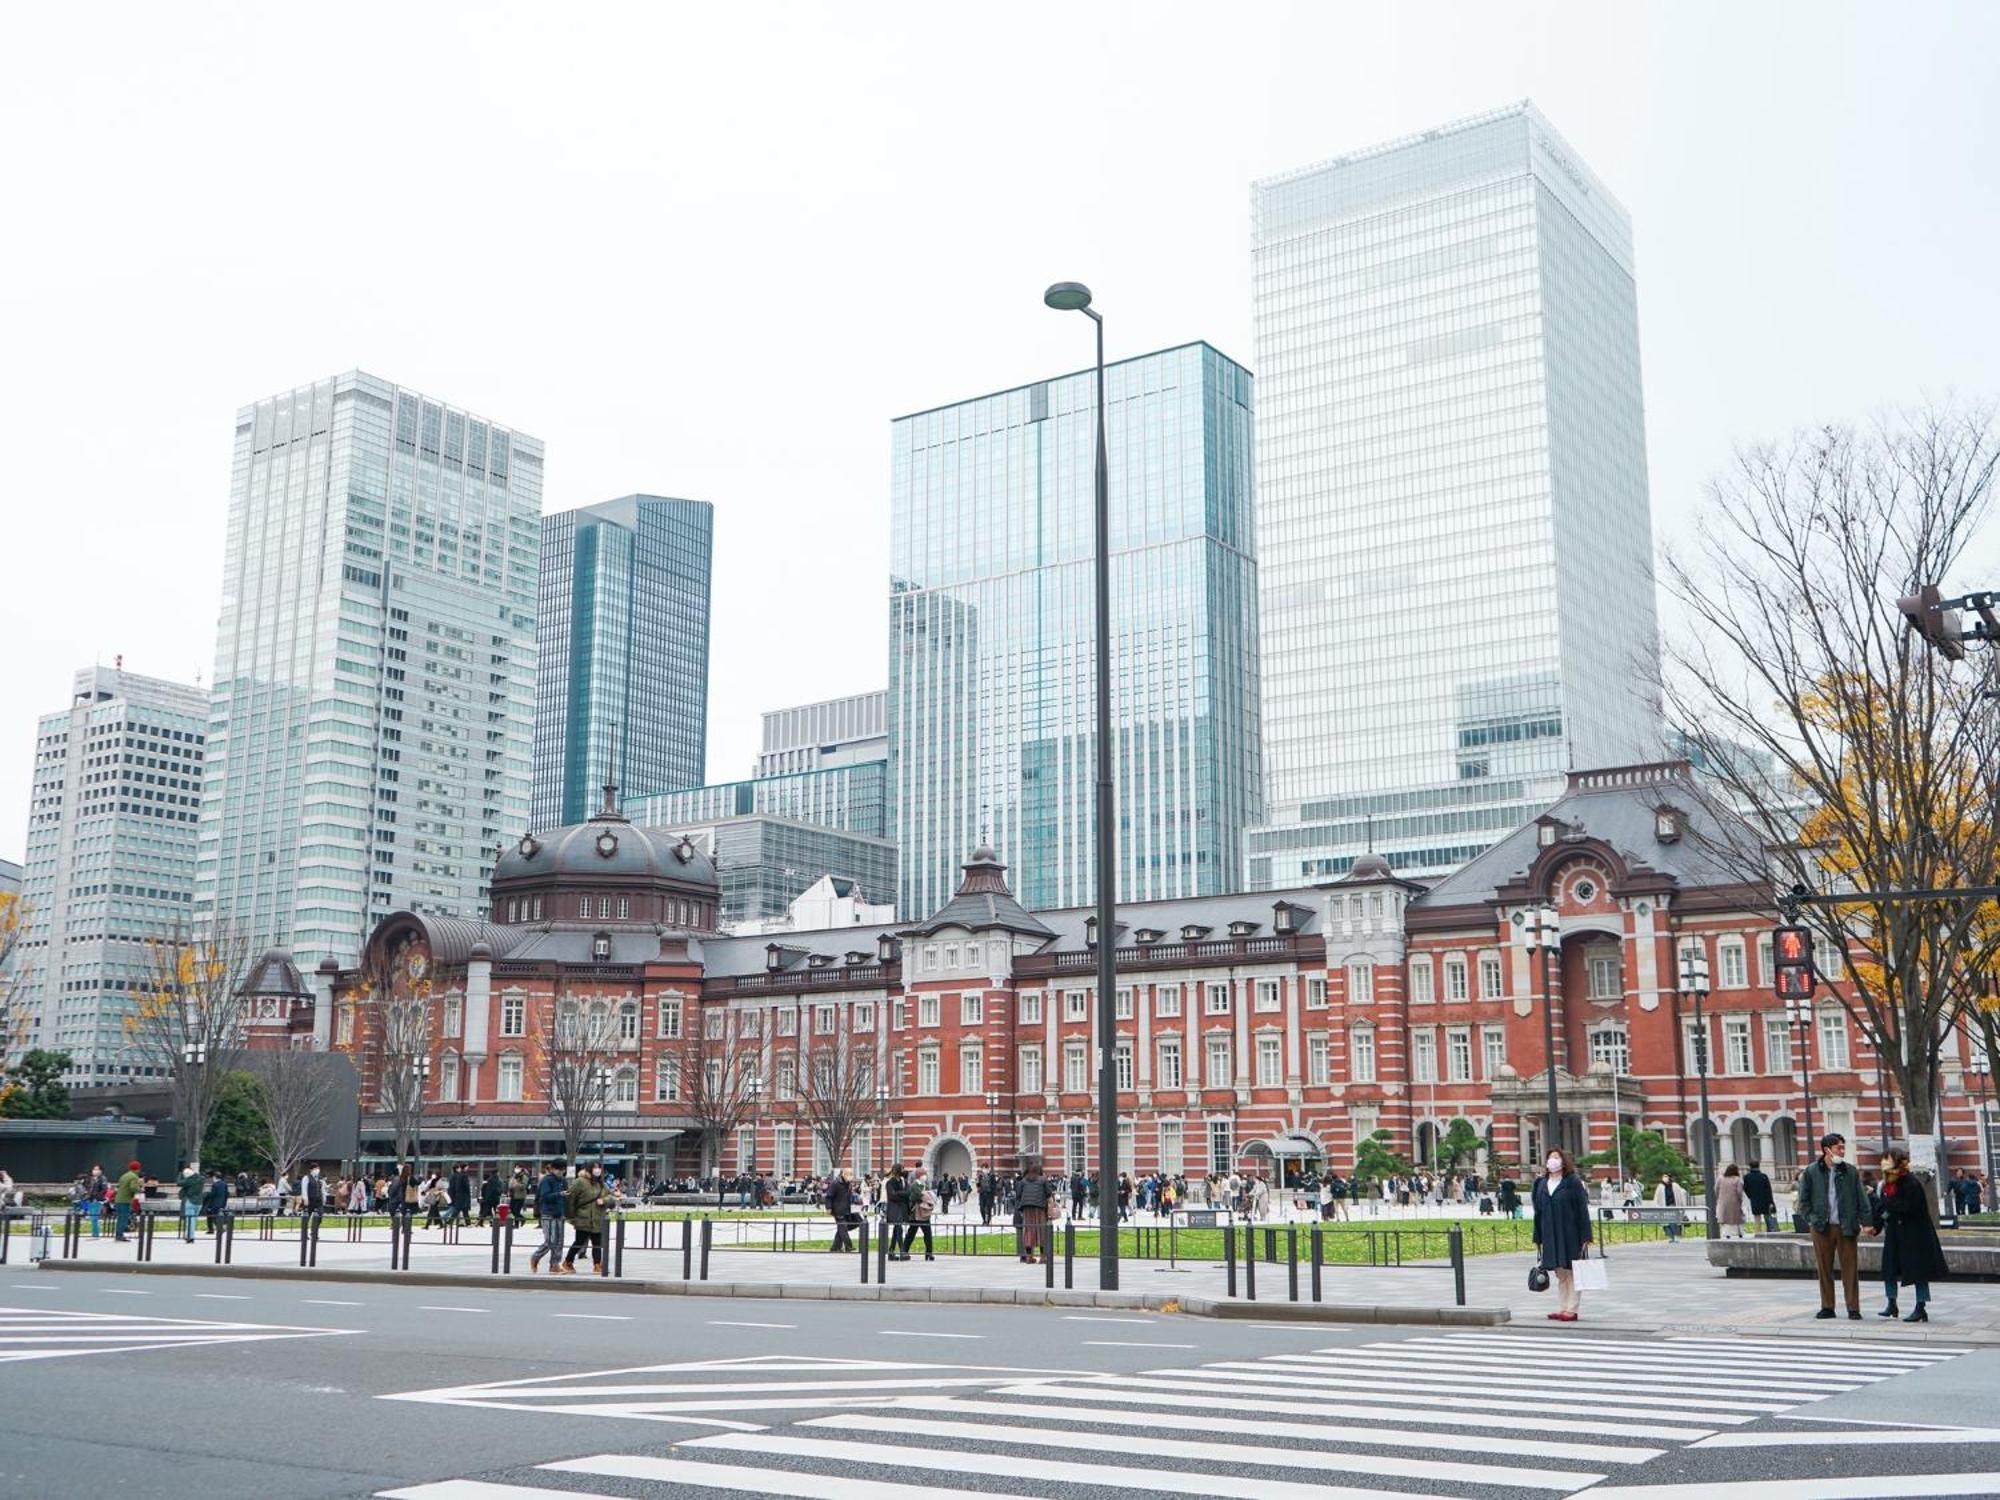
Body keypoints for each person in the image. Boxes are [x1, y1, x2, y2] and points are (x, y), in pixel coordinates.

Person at [1868, 1147, 1950, 1322]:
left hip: (1914, 1234)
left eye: (1887, 1158)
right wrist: (1876, 1226)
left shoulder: (1910, 1182)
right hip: (1895, 1233)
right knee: (1889, 1269)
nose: (1884, 1162)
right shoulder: (1887, 1183)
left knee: (1918, 1271)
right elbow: (1883, 1209)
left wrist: (1885, 1203)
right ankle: (1891, 1303)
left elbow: (1905, 1207)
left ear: (1897, 1161)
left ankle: (1921, 1307)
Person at [1796, 1131, 1866, 1320]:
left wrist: (1867, 1222)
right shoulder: (1811, 1171)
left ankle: (1853, 1307)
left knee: (1850, 1268)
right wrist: (1812, 1219)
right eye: (1839, 1148)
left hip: (1847, 1226)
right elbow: (1802, 1201)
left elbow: (1861, 1198)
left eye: (1843, 1147)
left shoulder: (1850, 1171)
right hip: (1822, 1227)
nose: (1842, 1151)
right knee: (1824, 1268)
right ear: (1827, 1150)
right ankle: (1827, 1306)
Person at [1532, 1148, 1593, 1322]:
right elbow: (1538, 1212)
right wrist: (1538, 1236)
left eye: (1556, 1157)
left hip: (1570, 1233)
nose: (1553, 1161)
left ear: (1563, 1161)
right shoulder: (1541, 1183)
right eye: (1550, 1157)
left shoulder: (1572, 1182)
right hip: (1550, 1233)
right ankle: (1563, 1307)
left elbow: (1582, 1210)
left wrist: (1586, 1236)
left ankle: (1572, 1309)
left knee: (1572, 1271)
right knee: (1560, 1273)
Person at [561, 1162, 607, 1275]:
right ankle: (568, 1262)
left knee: (597, 1243)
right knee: (579, 1241)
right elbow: (570, 1199)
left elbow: (609, 1195)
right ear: (589, 1169)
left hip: (596, 1217)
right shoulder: (580, 1182)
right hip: (583, 1217)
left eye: (599, 1168)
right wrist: (571, 1217)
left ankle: (597, 1265)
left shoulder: (600, 1183)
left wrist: (605, 1201)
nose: (597, 1170)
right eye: (595, 1167)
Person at [529, 1161, 567, 1272]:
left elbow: (564, 1199)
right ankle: (535, 1257)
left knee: (559, 1241)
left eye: (563, 1170)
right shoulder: (547, 1180)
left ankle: (555, 1264)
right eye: (559, 1169)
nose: (561, 1172)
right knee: (550, 1240)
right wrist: (559, 1194)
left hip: (559, 1213)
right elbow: (544, 1196)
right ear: (553, 1169)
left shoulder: (563, 1181)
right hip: (548, 1213)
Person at [1015, 1161, 1050, 1263]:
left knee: (1029, 1231)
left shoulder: (1023, 1181)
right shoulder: (1043, 1180)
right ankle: (1043, 1257)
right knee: (1041, 1231)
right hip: (1040, 1207)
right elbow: (1048, 1193)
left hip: (1026, 1208)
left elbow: (1018, 1195)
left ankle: (1029, 1256)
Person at [883, 1164, 914, 1261]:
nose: (904, 1171)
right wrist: (902, 1194)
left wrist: (900, 1194)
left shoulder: (903, 1181)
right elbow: (892, 1196)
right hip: (894, 1209)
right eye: (902, 1169)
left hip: (902, 1208)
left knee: (896, 1230)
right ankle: (902, 1251)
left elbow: (909, 1192)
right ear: (898, 1170)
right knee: (898, 1229)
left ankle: (891, 1252)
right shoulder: (890, 1183)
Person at [827, 1168, 857, 1253]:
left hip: (845, 1210)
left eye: (852, 1174)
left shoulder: (847, 1184)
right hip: (838, 1210)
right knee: (843, 1228)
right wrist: (828, 1208)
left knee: (841, 1228)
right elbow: (829, 1196)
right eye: (849, 1174)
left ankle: (835, 1247)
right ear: (844, 1174)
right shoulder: (836, 1183)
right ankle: (849, 1246)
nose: (851, 1176)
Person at [1741, 1161, 1777, 1233]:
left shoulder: (1747, 1177)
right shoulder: (1763, 1176)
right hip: (1765, 1200)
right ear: (1758, 1166)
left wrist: (1750, 1196)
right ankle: (1770, 1233)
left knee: (1757, 1219)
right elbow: (1768, 1190)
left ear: (1750, 1167)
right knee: (1768, 1218)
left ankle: (1758, 1234)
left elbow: (1745, 1188)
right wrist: (1771, 1201)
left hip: (1755, 1200)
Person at [905, 1178, 936, 1260]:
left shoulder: (923, 1184)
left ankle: (929, 1253)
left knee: (926, 1234)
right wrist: (923, 1196)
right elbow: (914, 1197)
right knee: (912, 1233)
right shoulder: (914, 1185)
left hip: (923, 1213)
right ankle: (904, 1251)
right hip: (916, 1213)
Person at [114, 1160, 143, 1240]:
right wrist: (140, 1189)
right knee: (124, 1218)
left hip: (118, 1199)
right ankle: (120, 1235)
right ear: (138, 1169)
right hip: (125, 1200)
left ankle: (118, 1234)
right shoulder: (134, 1177)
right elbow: (133, 1187)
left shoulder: (124, 1175)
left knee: (120, 1218)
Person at [1716, 1163, 1746, 1239]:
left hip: (1723, 1201)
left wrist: (1719, 1197)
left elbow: (1716, 1189)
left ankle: (1726, 1233)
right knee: (1737, 1217)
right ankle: (1740, 1232)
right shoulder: (1737, 1179)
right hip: (1734, 1201)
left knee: (1725, 1217)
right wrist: (1740, 1199)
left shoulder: (1720, 1178)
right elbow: (1739, 1191)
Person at [1653, 1173, 1685, 1243]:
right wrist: (1656, 1206)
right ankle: (1670, 1237)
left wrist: (1682, 1206)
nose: (1665, 1178)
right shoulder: (1660, 1187)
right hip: (1664, 1207)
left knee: (1674, 1222)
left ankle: (1676, 1236)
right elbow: (1656, 1198)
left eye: (1666, 1177)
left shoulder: (1675, 1185)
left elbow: (1680, 1195)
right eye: (1663, 1177)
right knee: (1666, 1223)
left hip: (1674, 1206)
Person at [177, 1160, 203, 1241]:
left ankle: (190, 1237)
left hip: (190, 1201)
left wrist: (180, 1174)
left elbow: (178, 1183)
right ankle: (191, 1235)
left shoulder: (189, 1181)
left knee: (189, 1220)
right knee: (194, 1220)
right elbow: (198, 1176)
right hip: (199, 1202)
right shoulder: (200, 1179)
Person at [202, 1170, 230, 1234]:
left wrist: (207, 1194)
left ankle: (212, 1229)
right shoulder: (224, 1184)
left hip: (214, 1203)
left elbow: (212, 1195)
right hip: (221, 1203)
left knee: (211, 1216)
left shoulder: (215, 1185)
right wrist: (224, 1203)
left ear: (215, 1177)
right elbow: (226, 1194)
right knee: (216, 1216)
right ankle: (218, 1228)